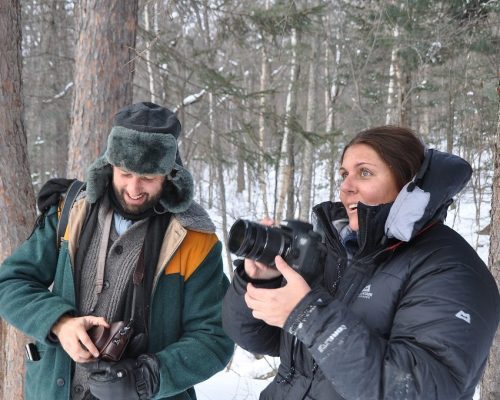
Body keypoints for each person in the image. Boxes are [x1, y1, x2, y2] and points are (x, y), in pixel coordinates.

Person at [222, 126, 500, 400]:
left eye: (364, 172)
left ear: (407, 184)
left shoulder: (452, 269)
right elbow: (259, 339)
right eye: (344, 174)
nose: (346, 187)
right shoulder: (338, 249)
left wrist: (309, 317)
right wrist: (262, 281)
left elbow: (420, 390)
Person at [0, 102, 234, 400]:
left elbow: (215, 337)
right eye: (125, 173)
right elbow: (10, 283)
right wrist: (60, 324)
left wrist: (147, 377)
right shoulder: (69, 212)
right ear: (109, 166)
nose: (134, 188)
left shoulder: (194, 241)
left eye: (148, 178)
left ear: (170, 175)